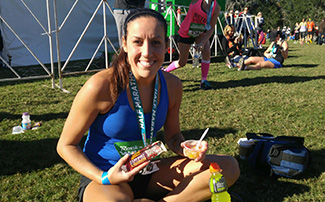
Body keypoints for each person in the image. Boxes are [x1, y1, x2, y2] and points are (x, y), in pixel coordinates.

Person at [57, 8, 240, 202]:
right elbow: (66, 145)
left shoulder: (172, 85)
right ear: (124, 44)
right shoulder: (101, 85)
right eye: (137, 42)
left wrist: (186, 148)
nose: (147, 52)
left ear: (166, 45)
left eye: (155, 43)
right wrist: (103, 177)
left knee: (228, 167)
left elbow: (173, 137)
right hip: (107, 178)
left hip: (149, 170)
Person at [163, 0, 220, 90]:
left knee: (207, 51)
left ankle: (204, 81)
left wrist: (202, 43)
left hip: (200, 32)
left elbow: (211, 27)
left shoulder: (216, 7)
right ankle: (165, 71)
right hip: (186, 32)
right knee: (182, 62)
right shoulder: (197, 1)